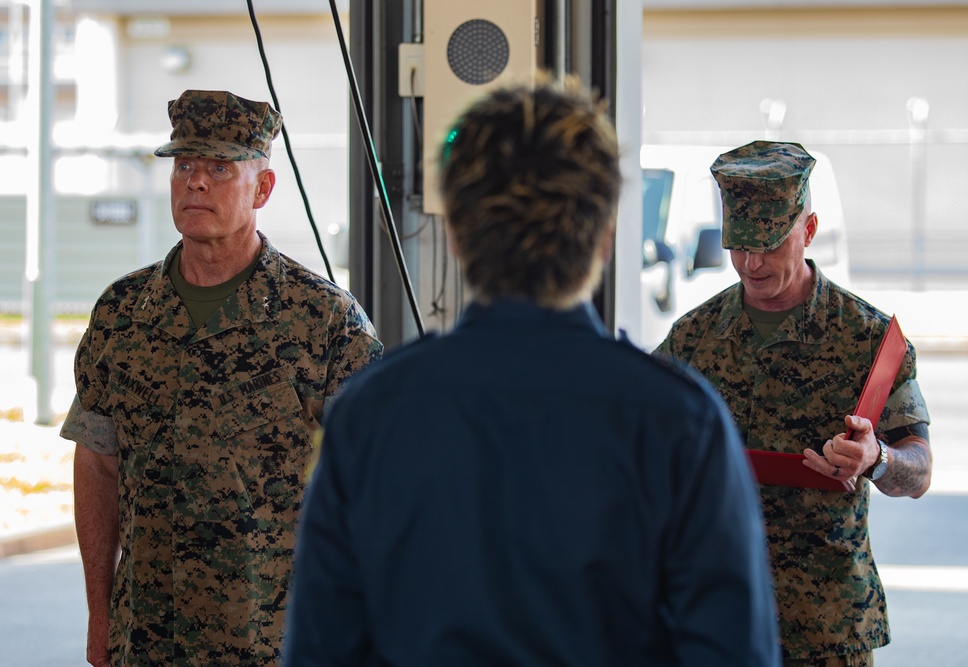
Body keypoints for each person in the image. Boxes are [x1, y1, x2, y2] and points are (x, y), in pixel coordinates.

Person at [282, 78, 780, 666]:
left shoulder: (370, 414)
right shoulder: (680, 422)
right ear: (604, 236)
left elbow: (321, 650)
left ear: (457, 232)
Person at [61, 89, 383, 667]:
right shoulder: (123, 311)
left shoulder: (325, 320)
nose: (196, 183)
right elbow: (98, 462)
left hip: (273, 641)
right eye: (184, 166)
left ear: (261, 188)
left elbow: (373, 482)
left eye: (219, 168)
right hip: (147, 639)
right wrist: (100, 612)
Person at [654, 140, 933, 666]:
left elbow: (918, 473)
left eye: (768, 243)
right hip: (716, 616)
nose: (750, 263)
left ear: (807, 231)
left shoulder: (867, 339)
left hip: (825, 627)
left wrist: (877, 459)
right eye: (738, 245)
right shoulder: (692, 338)